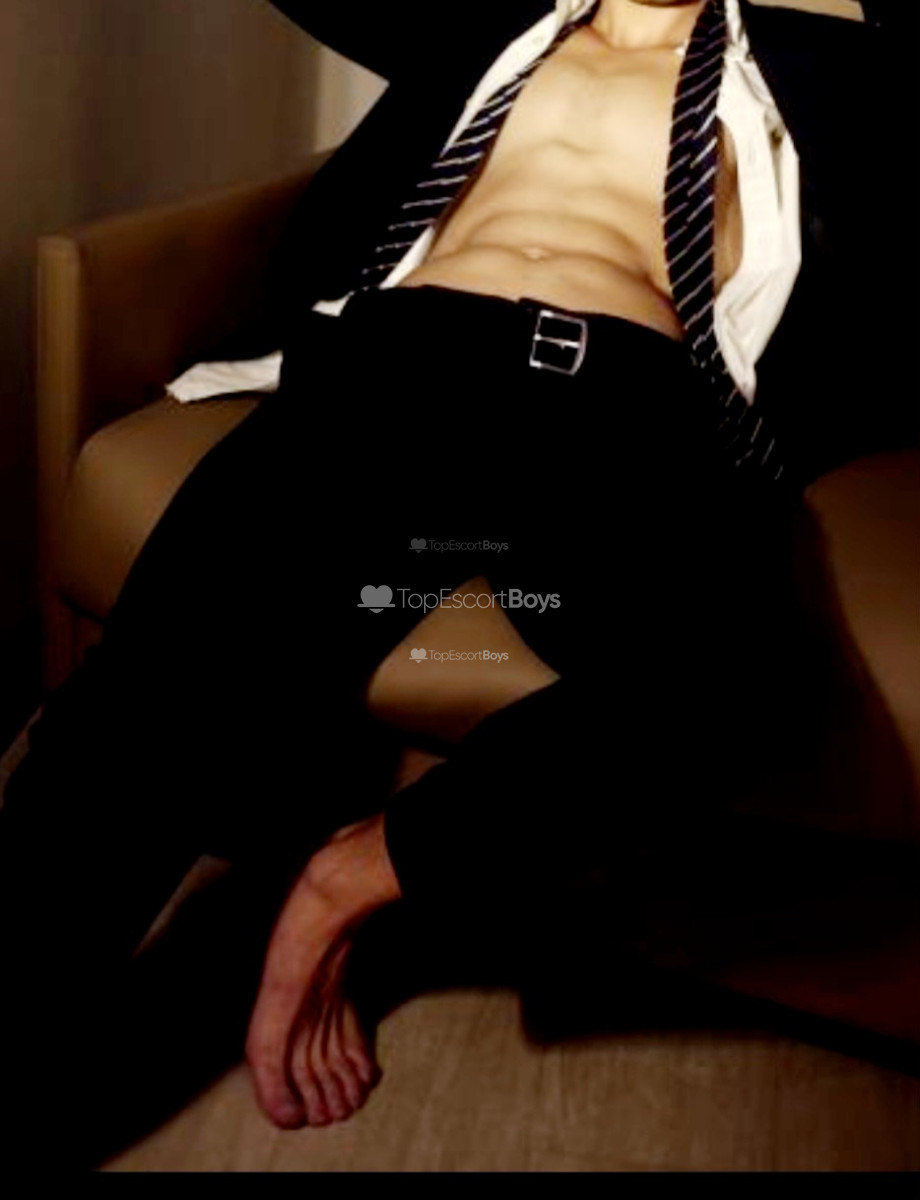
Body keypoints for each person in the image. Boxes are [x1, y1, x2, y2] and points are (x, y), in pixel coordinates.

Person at [1, 0, 917, 1168]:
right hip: (400, 363)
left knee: (737, 688)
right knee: (138, 713)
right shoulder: (485, 16)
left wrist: (376, 865)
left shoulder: (817, 63)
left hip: (630, 405)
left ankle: (345, 879)